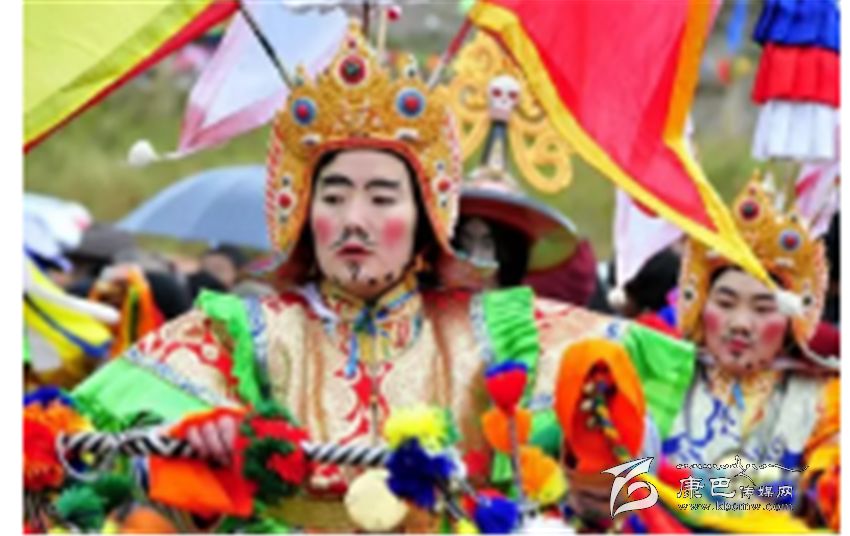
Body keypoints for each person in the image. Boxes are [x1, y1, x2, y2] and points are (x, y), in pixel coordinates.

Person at [68, 24, 692, 532]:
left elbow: (656, 471)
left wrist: (604, 497)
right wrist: (189, 459)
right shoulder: (238, 338)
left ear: (425, 220)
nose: (354, 220)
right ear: (301, 211)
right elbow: (85, 464)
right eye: (334, 196)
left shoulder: (502, 335)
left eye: (382, 198)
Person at [564, 176, 840, 532]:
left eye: (762, 308)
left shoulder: (823, 398)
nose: (740, 324)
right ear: (699, 307)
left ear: (791, 323)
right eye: (725, 303)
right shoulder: (653, 369)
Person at [445, 30, 598, 305]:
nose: (475, 259)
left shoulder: (531, 325)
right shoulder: (415, 317)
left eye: (488, 245)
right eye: (464, 243)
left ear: (510, 254)